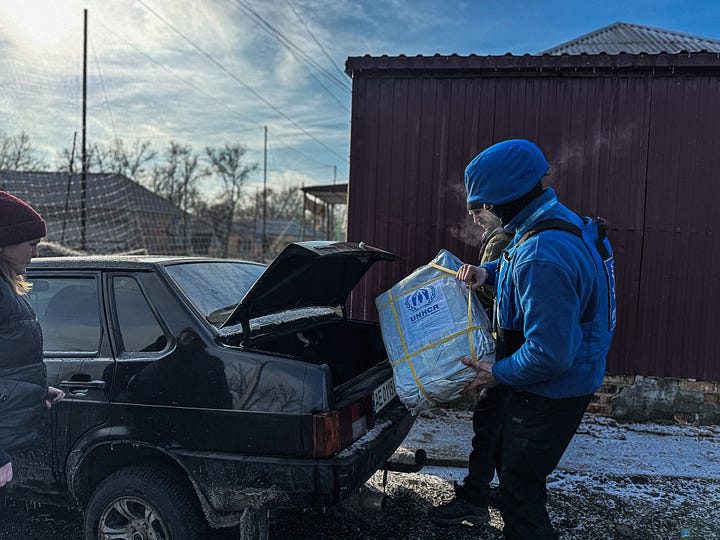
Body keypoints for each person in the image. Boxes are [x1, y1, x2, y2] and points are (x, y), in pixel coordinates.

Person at [430, 140, 615, 539]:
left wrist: (497, 371)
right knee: (518, 476)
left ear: (500, 201)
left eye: (480, 205)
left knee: (519, 491)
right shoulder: (552, 223)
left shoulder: (542, 254)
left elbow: (549, 355)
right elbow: (518, 261)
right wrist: (488, 273)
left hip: (550, 391)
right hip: (567, 381)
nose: (477, 214)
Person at [0, 191, 64, 498]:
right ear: (4, 242)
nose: (35, 253)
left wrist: (33, 391)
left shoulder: (8, 290)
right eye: (31, 244)